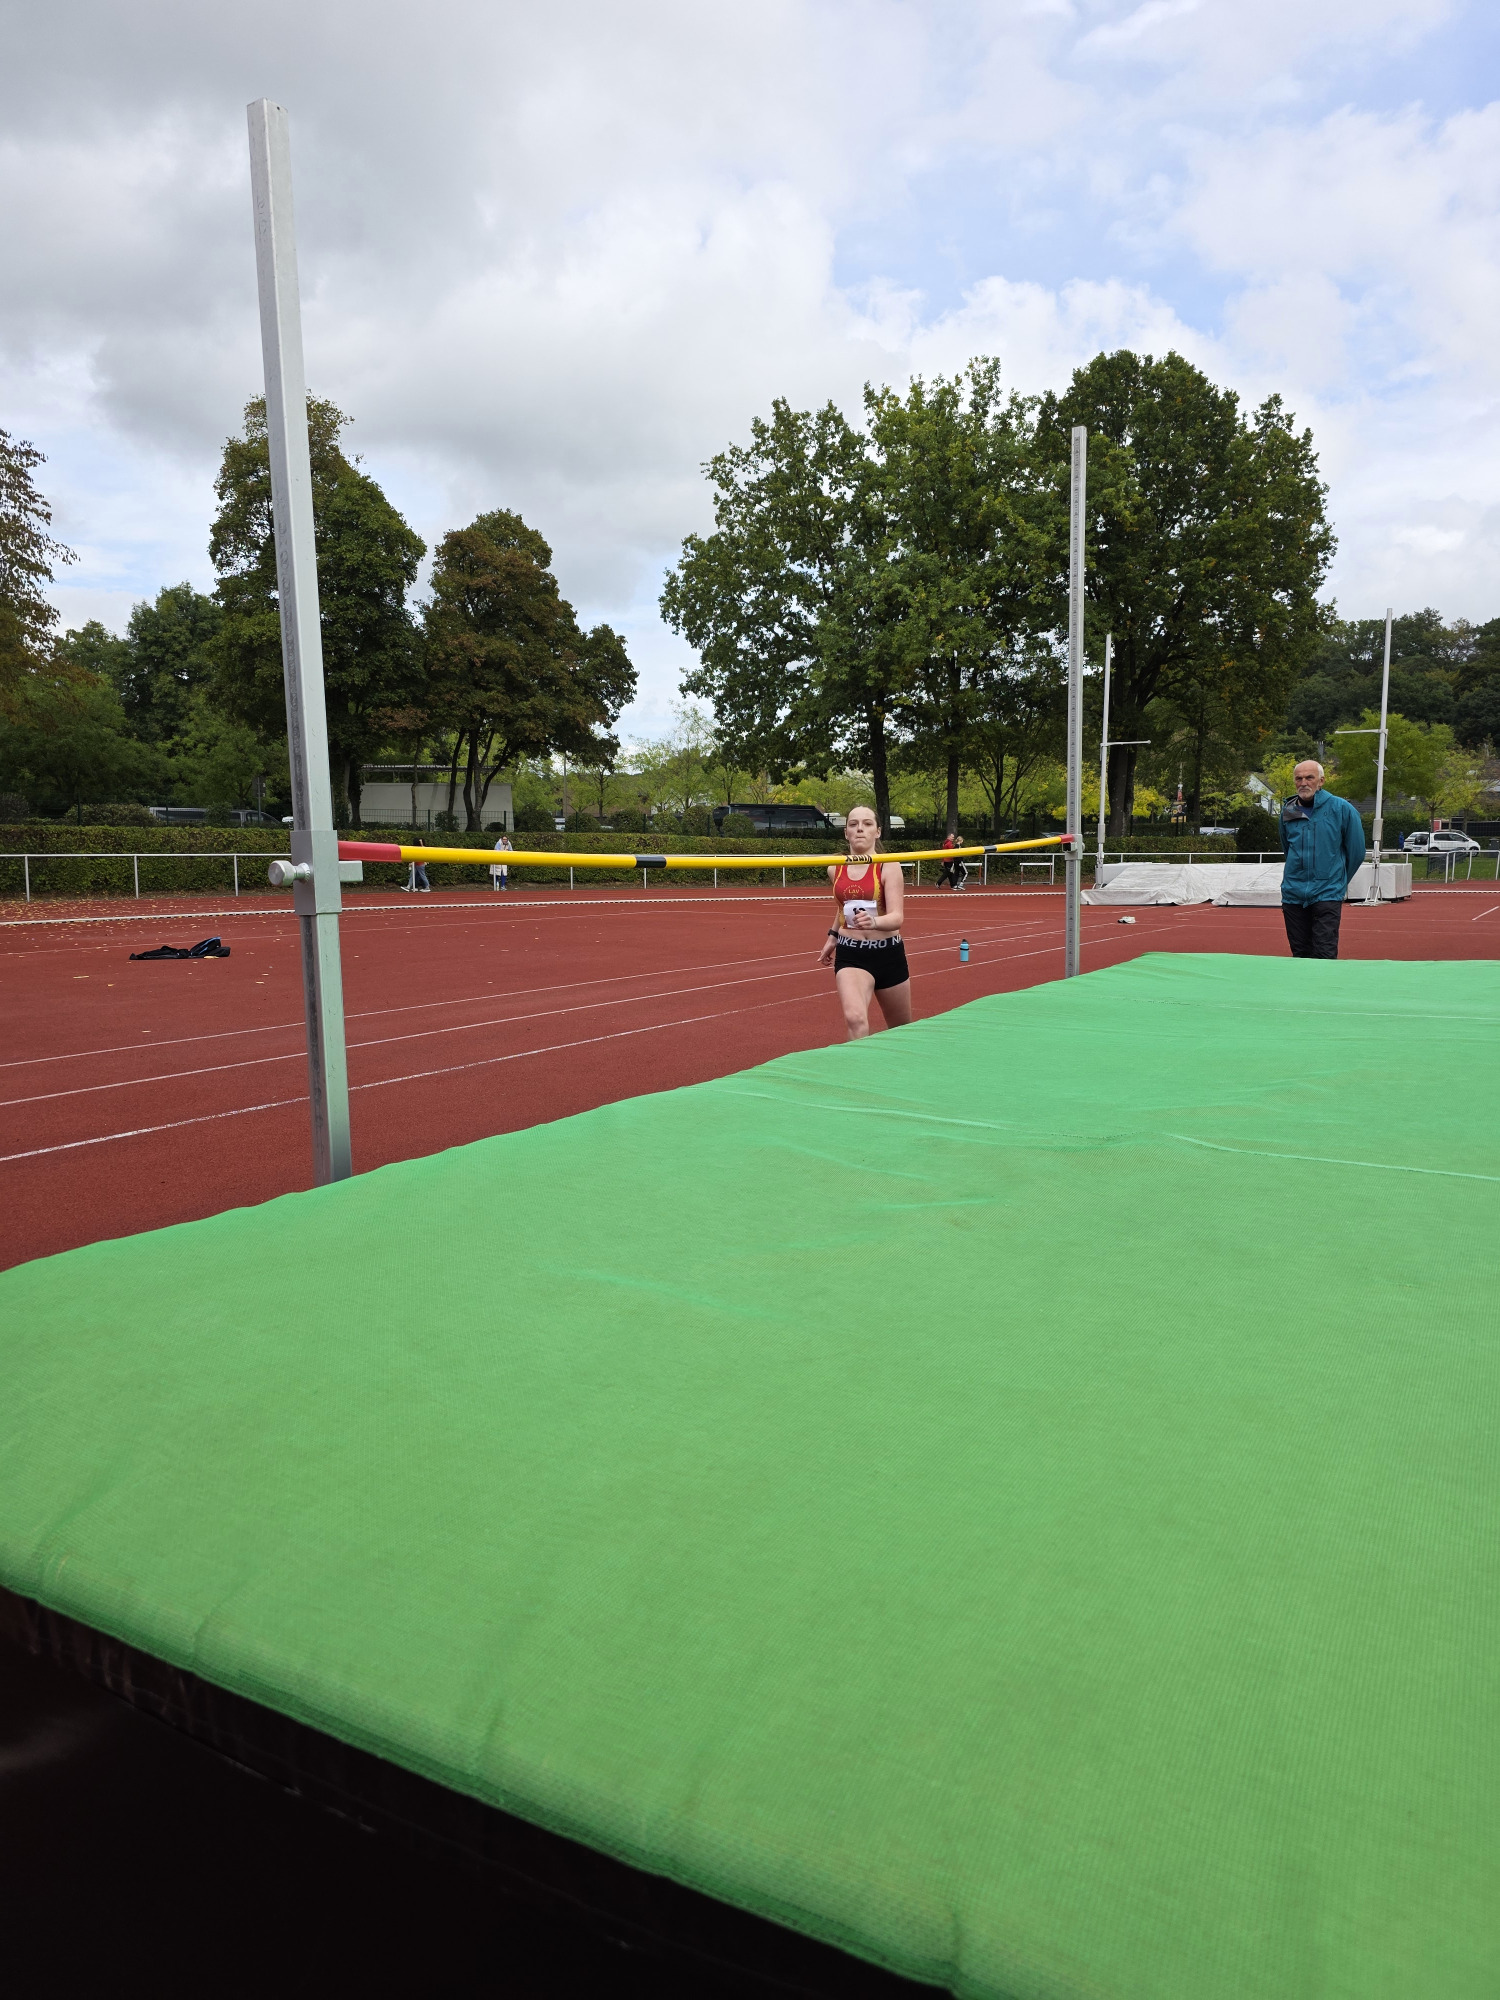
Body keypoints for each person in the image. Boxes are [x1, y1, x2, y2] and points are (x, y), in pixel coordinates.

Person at [817, 805, 912, 1038]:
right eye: (853, 824)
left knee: (901, 1031)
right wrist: (833, 936)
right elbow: (843, 907)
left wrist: (874, 922)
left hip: (888, 954)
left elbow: (897, 918)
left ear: (877, 832)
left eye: (867, 824)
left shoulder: (889, 865)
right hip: (852, 954)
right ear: (846, 833)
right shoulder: (835, 868)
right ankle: (858, 1063)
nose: (860, 829)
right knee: (855, 1019)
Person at [1280, 760, 1364, 958]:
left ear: (1321, 781)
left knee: (1324, 954)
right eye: (1299, 778)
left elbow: (1357, 852)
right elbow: (1287, 848)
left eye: (1309, 777)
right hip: (1293, 893)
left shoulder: (1342, 809)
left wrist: (1337, 881)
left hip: (1327, 893)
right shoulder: (1288, 811)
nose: (1303, 783)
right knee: (1300, 954)